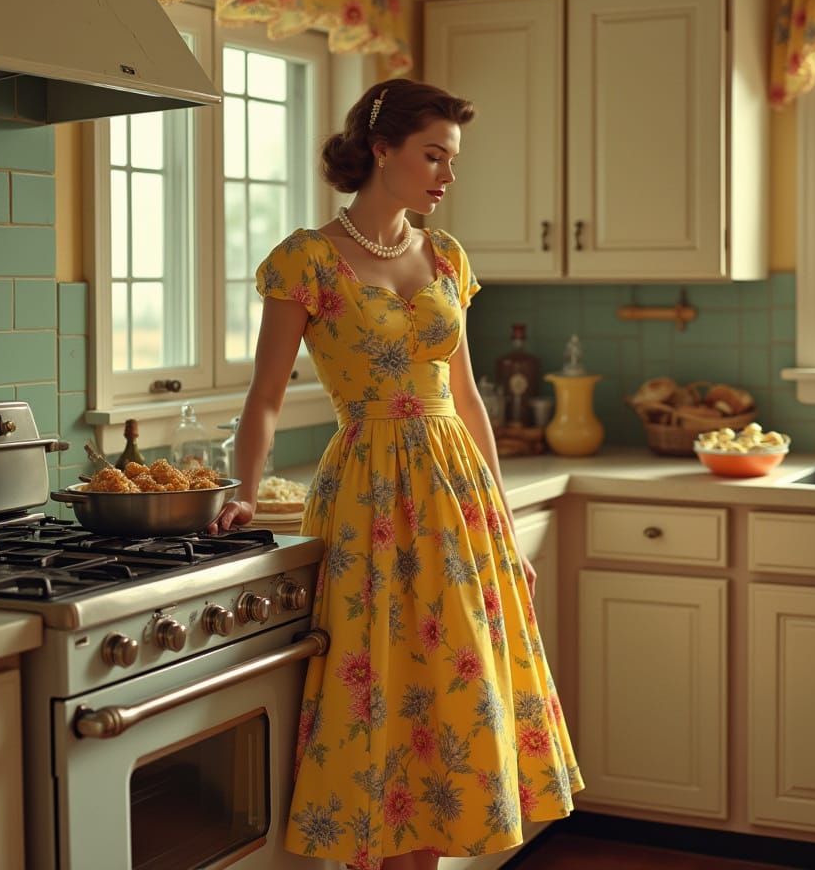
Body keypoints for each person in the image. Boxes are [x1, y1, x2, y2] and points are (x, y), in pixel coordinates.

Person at [210, 77, 583, 870]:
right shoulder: (306, 261)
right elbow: (267, 396)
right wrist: (244, 491)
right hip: (369, 495)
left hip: (460, 498)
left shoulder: (445, 254)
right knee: (377, 696)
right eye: (434, 155)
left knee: (456, 695)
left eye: (452, 159)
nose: (447, 175)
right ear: (381, 150)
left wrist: (507, 533)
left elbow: (469, 398)